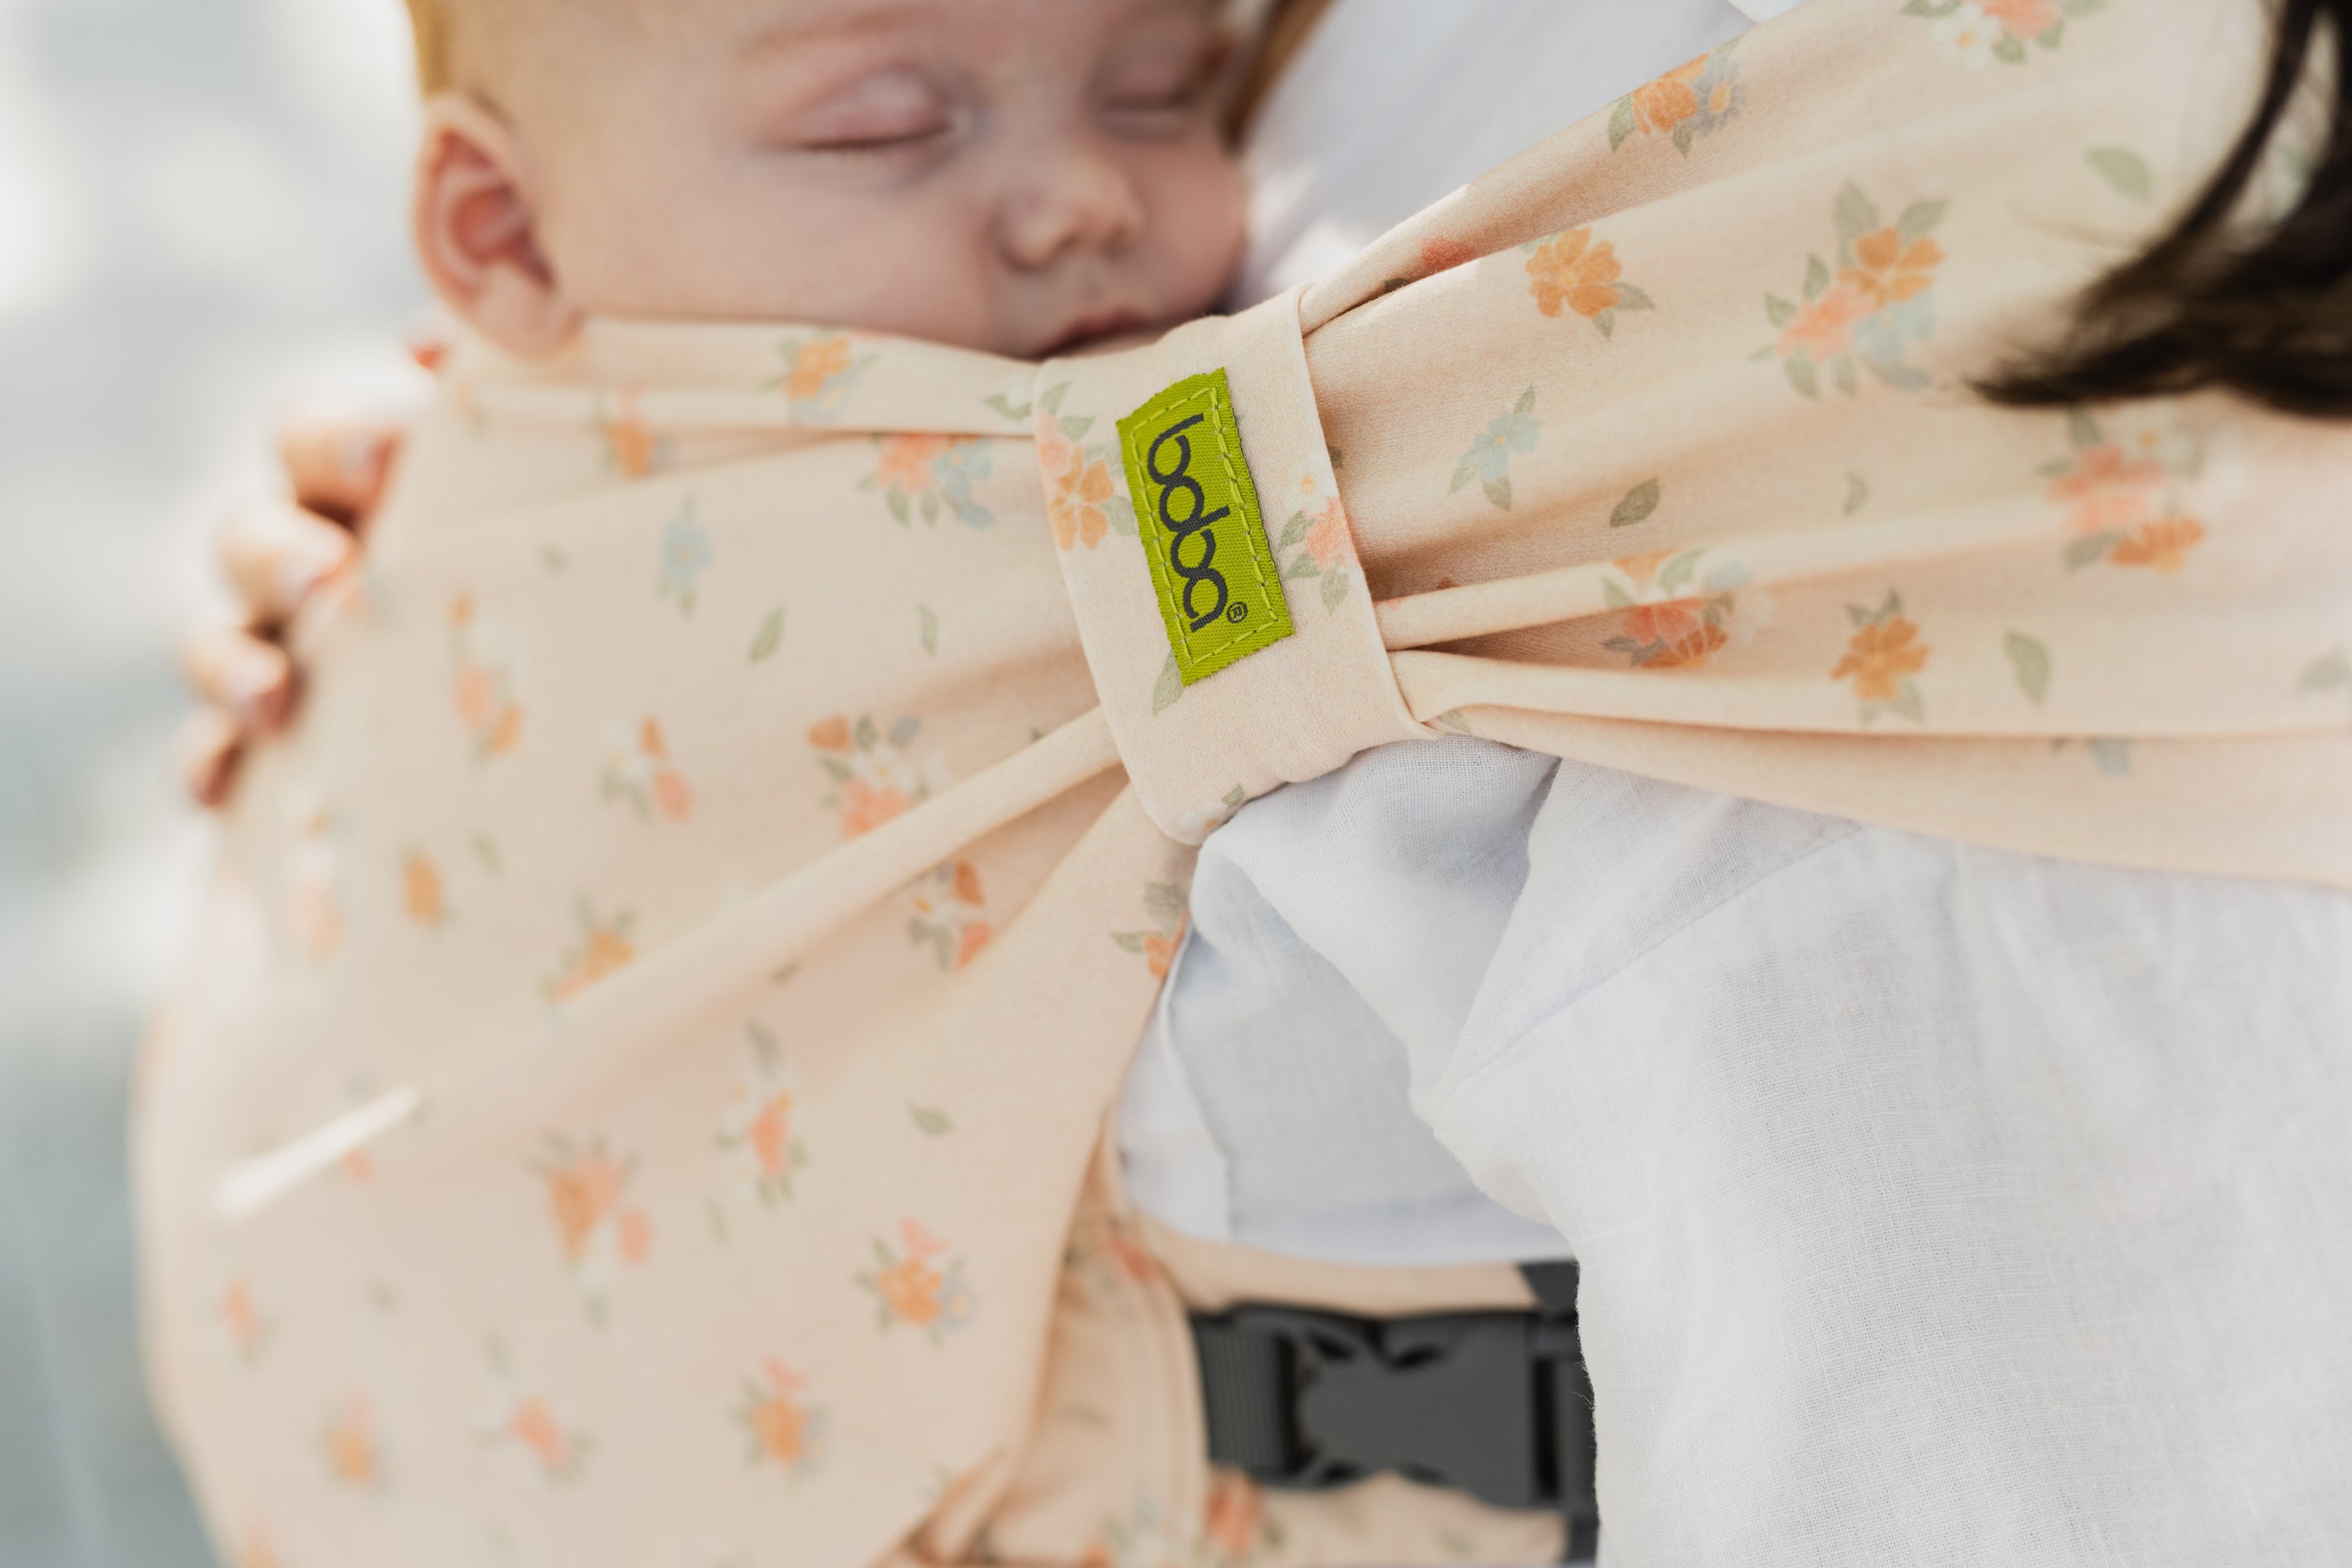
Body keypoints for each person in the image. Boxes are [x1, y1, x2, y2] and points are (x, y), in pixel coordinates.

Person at [150, 2, 2352, 1566]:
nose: (1085, 196)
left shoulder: (2119, 291)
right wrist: (532, 501)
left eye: (1158, 88)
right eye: (881, 126)